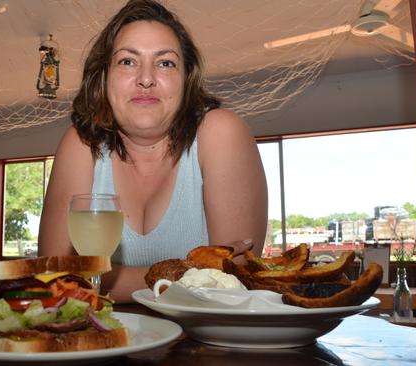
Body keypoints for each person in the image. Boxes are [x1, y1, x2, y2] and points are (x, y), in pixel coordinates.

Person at [38, 0, 268, 302]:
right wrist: (191, 272)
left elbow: (234, 280)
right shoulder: (81, 143)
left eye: (165, 63)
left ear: (186, 79)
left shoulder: (220, 133)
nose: (146, 79)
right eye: (127, 61)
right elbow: (52, 276)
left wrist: (98, 279)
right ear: (104, 76)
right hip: (105, 341)